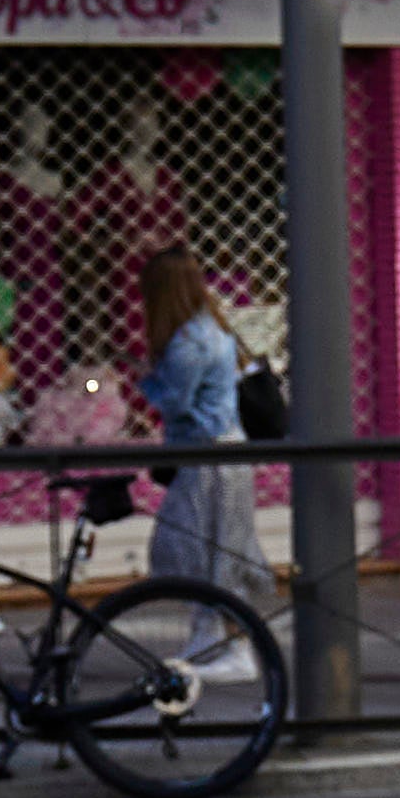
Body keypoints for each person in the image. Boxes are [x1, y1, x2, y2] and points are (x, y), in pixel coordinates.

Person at [133, 249, 268, 679]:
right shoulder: (212, 330)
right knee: (208, 548)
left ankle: (233, 646)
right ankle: (210, 635)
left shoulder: (189, 341)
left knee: (203, 548)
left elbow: (174, 402)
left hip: (210, 459)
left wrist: (144, 379)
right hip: (221, 456)